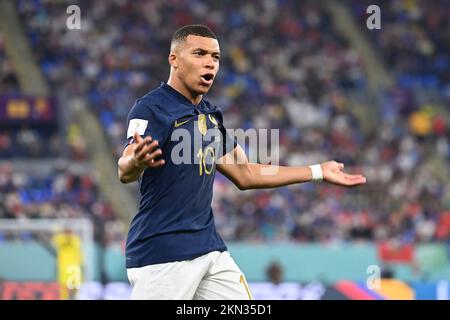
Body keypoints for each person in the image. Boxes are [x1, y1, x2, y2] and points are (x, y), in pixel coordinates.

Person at [117, 24, 366, 300]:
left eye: (215, 57)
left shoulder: (209, 116)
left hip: (209, 248)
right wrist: (136, 161)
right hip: (162, 253)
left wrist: (317, 171)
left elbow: (246, 173)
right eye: (199, 53)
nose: (209, 63)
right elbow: (125, 168)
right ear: (174, 59)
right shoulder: (151, 107)